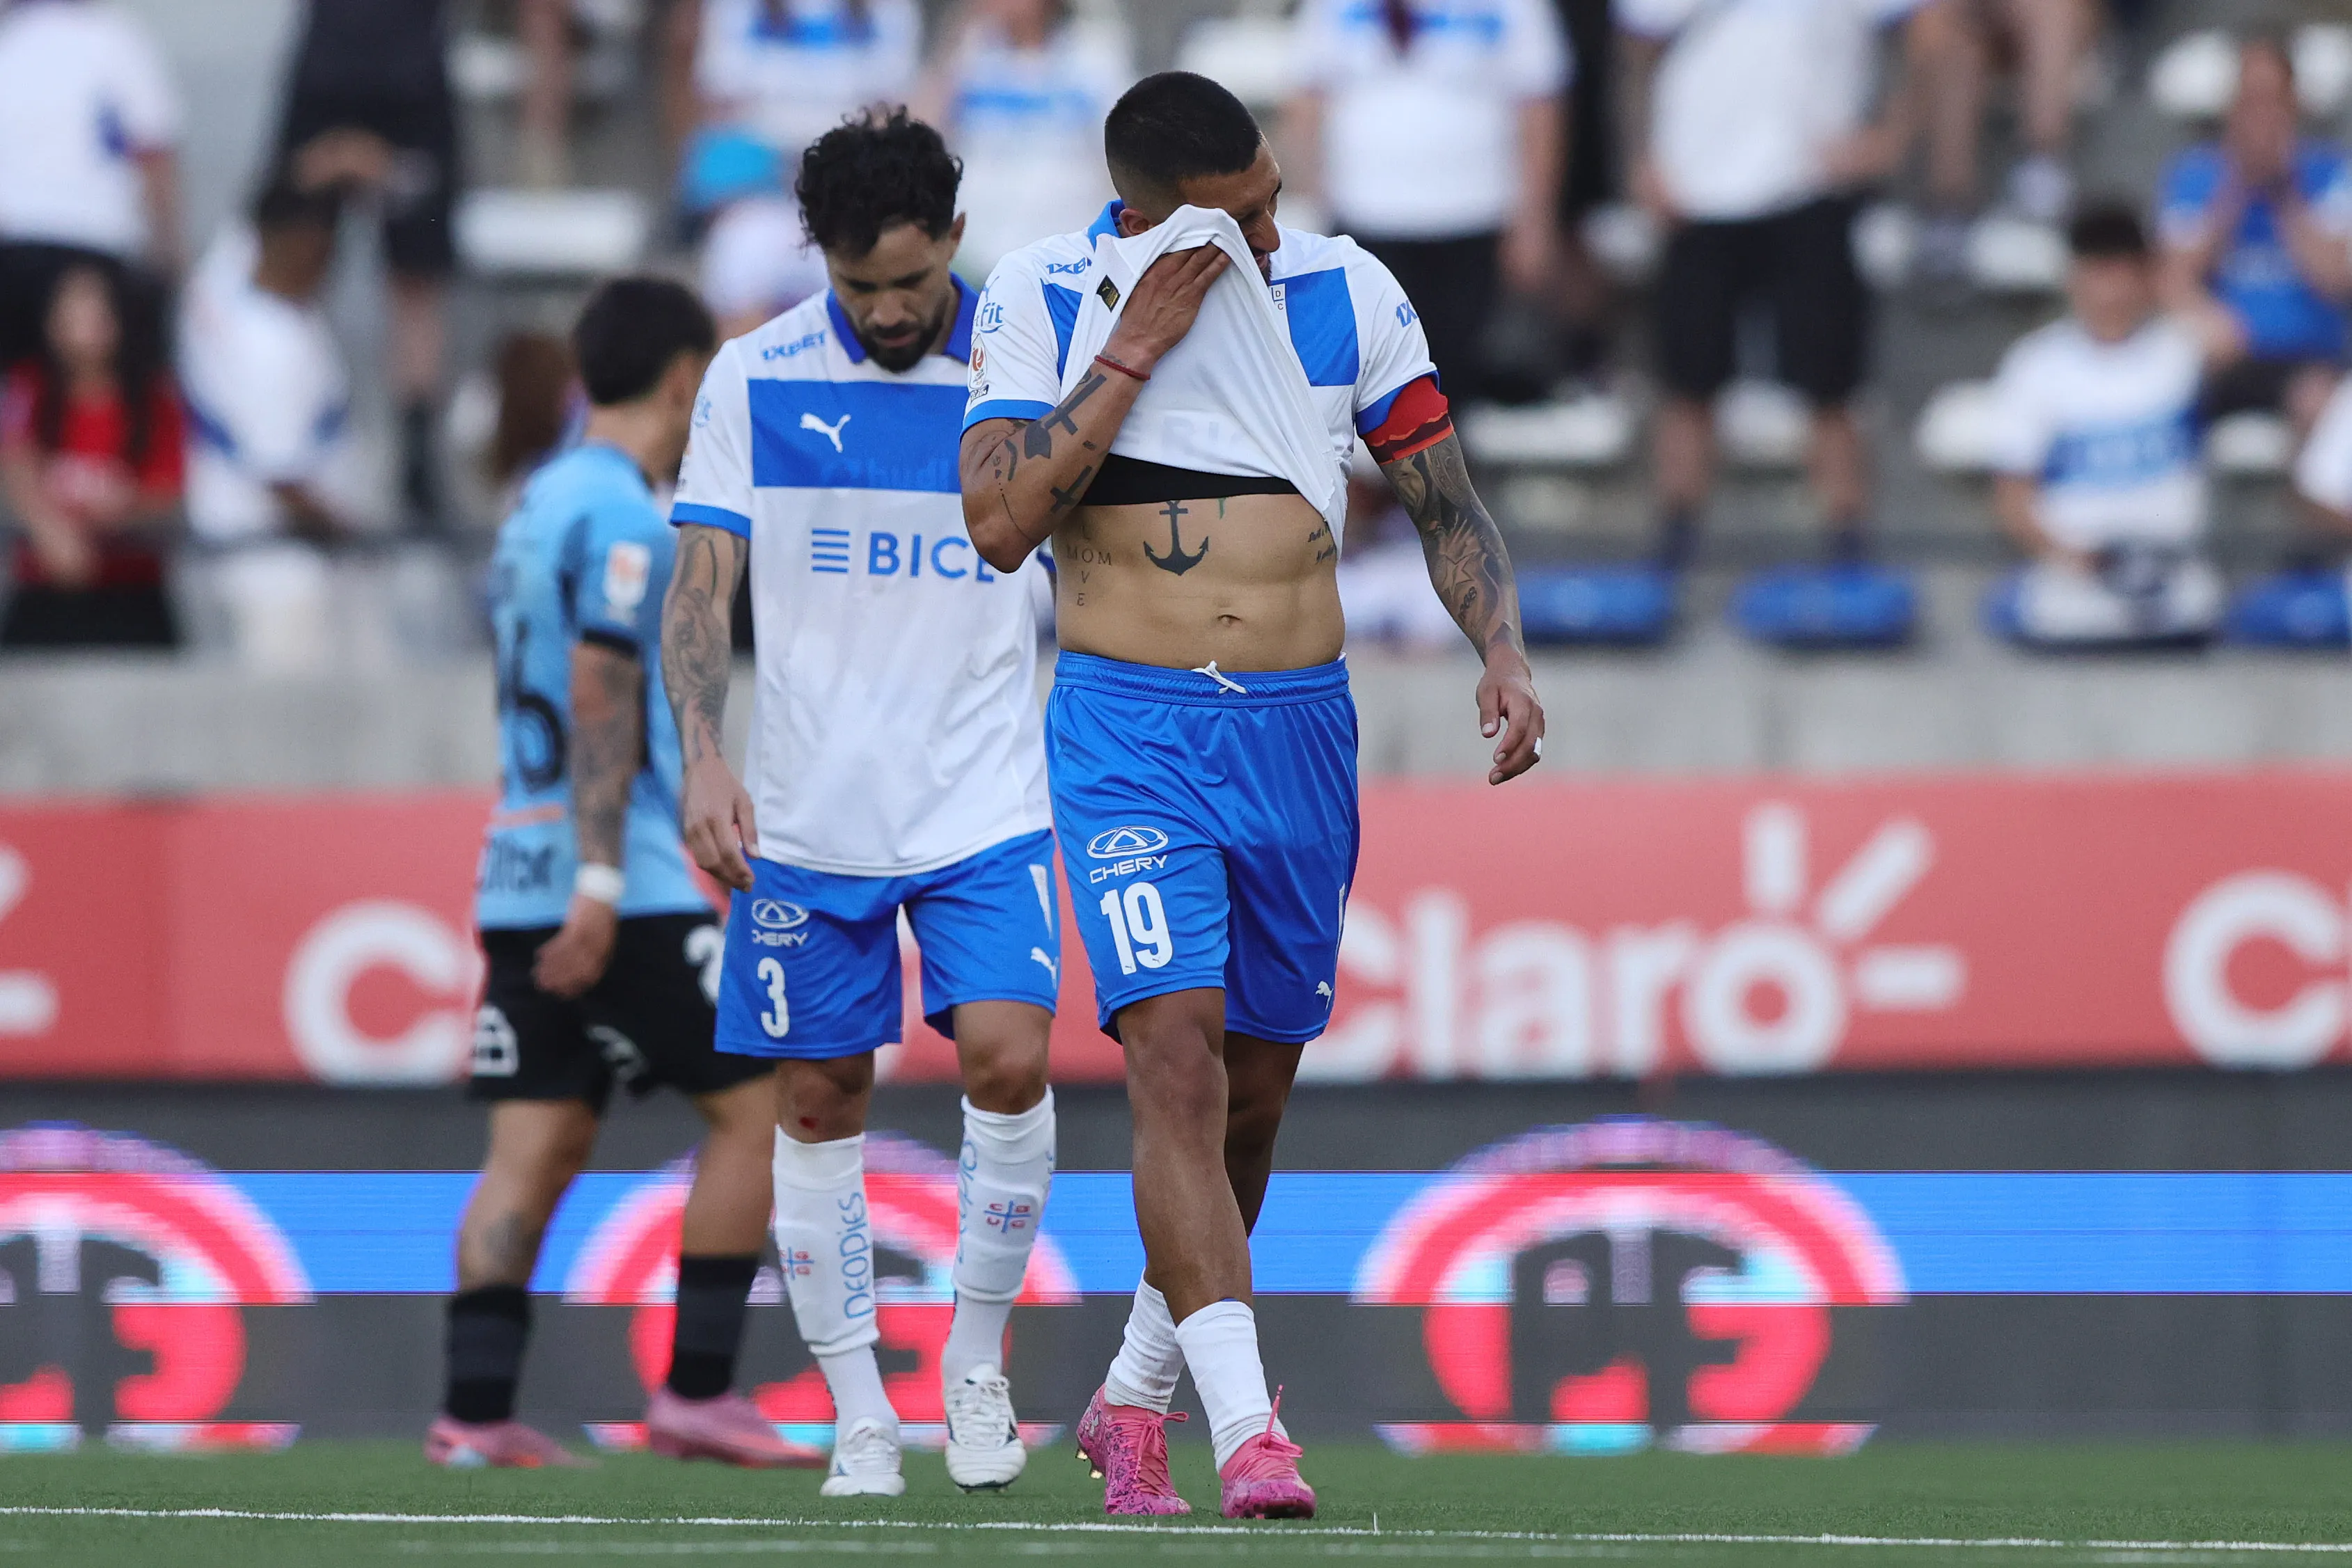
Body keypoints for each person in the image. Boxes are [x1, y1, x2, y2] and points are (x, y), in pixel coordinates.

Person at [958, 71, 1545, 1519]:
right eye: (1243, 216)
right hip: (1130, 730)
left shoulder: (1344, 289)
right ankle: (1250, 1427)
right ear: (1154, 217)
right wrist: (1136, 350)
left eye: (1278, 196)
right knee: (1173, 1054)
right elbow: (997, 522)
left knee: (1253, 1100)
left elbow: (1440, 490)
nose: (1275, 232)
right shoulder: (1044, 292)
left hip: (1298, 732)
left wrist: (1504, 648)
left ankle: (1132, 1401)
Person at [658, 110, 1062, 1500]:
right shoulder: (751, 376)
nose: (886, 310)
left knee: (1010, 1058)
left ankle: (976, 1362)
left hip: (983, 797)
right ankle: (857, 1411)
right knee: (820, 1097)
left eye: (906, 280)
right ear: (818, 261)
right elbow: (701, 584)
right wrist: (705, 751)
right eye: (857, 286)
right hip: (809, 814)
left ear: (953, 238)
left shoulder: (1029, 368)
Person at [431, 276, 816, 1472]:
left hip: (516, 863)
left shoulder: (533, 502)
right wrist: (601, 884)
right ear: (684, 380)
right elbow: (601, 687)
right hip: (622, 876)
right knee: (763, 1102)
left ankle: (474, 1414)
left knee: (533, 1142)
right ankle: (697, 1390)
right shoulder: (630, 521)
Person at [1618, 0, 1933, 567]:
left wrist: (1891, 137)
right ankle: (1675, 538)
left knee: (1830, 381)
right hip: (1695, 192)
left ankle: (1848, 538)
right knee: (1687, 378)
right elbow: (1636, 51)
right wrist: (1640, 157)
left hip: (1808, 189)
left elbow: (1930, 33)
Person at [1283, 0, 1568, 406]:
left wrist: (1535, 222)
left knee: (1452, 375)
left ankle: (1449, 470)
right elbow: (1307, 92)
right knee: (1368, 376)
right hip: (1366, 217)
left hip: (1473, 217)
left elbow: (1540, 103)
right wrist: (1315, 198)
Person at [1982, 203, 2219, 647]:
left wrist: (2166, 282)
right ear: (2073, 276)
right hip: (2076, 576)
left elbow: (2232, 344)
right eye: (2096, 269)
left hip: (2172, 574)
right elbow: (2012, 497)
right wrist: (2073, 558)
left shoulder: (2182, 351)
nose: (2108, 287)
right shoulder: (2035, 364)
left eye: (2121, 269)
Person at [275, 0, 463, 528]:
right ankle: (414, 462)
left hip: (345, 62)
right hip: (401, 69)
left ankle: (415, 461)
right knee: (411, 287)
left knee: (410, 283)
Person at [175, 180, 365, 674]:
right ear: (301, 240)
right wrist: (355, 536)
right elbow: (282, 478)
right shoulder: (270, 347)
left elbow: (251, 224)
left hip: (235, 553)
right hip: (279, 572)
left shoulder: (219, 289)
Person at [2158, 35, 2352, 444]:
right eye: (2250, 100)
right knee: (2157, 387)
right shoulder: (2195, 175)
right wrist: (2235, 188)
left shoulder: (2331, 172)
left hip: (2306, 359)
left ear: (2294, 105)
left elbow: (2336, 278)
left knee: (2321, 404)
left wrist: (2283, 189)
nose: (2261, 115)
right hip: (2220, 356)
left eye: (2273, 100)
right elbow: (2173, 277)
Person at [0, 264, 182, 649]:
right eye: (72, 311)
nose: (85, 325)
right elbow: (12, 457)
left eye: (96, 311)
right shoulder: (30, 388)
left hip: (131, 591)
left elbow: (168, 492)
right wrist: (50, 527)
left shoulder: (155, 399)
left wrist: (118, 513)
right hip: (45, 591)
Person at [0, 0, 182, 368]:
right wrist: (169, 255)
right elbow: (154, 153)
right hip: (95, 244)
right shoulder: (117, 38)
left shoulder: (11, 39)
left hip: (15, 245)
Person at [912, 0, 1131, 278]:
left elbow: (1122, 154)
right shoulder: (971, 51)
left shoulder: (1093, 57)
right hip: (977, 255)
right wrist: (955, 38)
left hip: (1064, 261)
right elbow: (921, 135)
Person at [1913, 0, 2099, 273]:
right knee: (1946, 34)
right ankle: (1950, 204)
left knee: (2053, 9)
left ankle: (2042, 164)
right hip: (1983, 25)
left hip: (2063, 20)